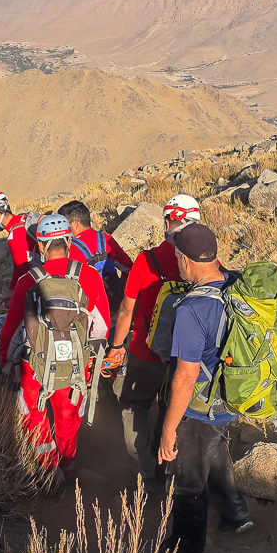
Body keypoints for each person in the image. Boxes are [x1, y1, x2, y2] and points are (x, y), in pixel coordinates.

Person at [157, 223, 251, 553]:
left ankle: (189, 551)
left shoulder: (191, 308)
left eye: (177, 257)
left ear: (185, 260)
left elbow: (185, 377)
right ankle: (236, 516)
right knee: (215, 452)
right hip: (231, 399)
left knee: (189, 482)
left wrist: (168, 429)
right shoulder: (235, 283)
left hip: (199, 408)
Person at [0, 214, 110, 478]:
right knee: (68, 416)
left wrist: (5, 361)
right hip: (75, 363)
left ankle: (48, 469)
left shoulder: (28, 280)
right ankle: (67, 467)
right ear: (69, 242)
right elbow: (102, 327)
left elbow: (11, 332)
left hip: (34, 365)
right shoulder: (89, 276)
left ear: (40, 245)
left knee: (32, 413)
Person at [105, 194, 201, 484]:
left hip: (145, 353)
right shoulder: (207, 260)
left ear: (168, 221)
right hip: (187, 359)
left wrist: (116, 347)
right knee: (175, 409)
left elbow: (126, 310)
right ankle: (170, 470)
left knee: (134, 406)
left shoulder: (147, 260)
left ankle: (145, 472)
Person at [57, 199, 133, 311]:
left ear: (75, 224)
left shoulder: (69, 248)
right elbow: (129, 269)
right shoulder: (107, 239)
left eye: (63, 225)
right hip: (115, 305)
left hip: (89, 312)